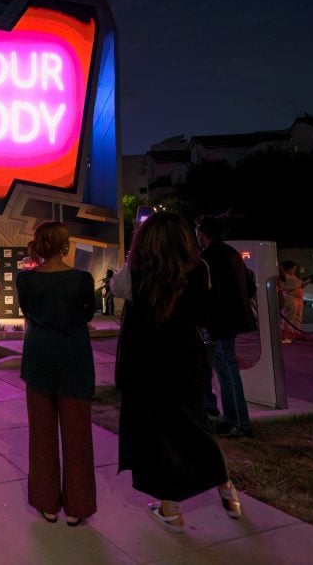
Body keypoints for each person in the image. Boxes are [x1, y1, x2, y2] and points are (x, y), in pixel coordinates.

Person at [114, 212, 242, 533]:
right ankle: (226, 488)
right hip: (186, 358)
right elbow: (206, 311)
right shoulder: (198, 270)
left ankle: (171, 510)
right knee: (194, 423)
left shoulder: (137, 273)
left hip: (146, 363)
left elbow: (117, 288)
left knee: (157, 434)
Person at [15, 221, 97, 526]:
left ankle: (46, 501)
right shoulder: (82, 279)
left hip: (38, 359)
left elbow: (28, 312)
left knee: (42, 434)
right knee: (77, 436)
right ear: (65, 246)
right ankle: (77, 505)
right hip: (74, 359)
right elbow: (88, 314)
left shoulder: (25, 280)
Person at [195, 214, 256, 438]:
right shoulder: (232, 253)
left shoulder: (207, 256)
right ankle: (235, 419)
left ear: (203, 233)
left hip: (218, 321)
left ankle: (238, 422)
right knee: (226, 368)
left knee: (227, 371)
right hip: (232, 319)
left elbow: (203, 291)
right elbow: (250, 287)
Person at [279, 260, 305, 344]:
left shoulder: (293, 277)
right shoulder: (283, 277)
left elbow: (299, 283)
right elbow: (283, 287)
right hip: (290, 298)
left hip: (298, 299)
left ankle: (296, 332)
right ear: (287, 269)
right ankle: (286, 333)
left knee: (298, 316)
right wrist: (297, 285)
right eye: (292, 269)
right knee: (289, 316)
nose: (294, 271)